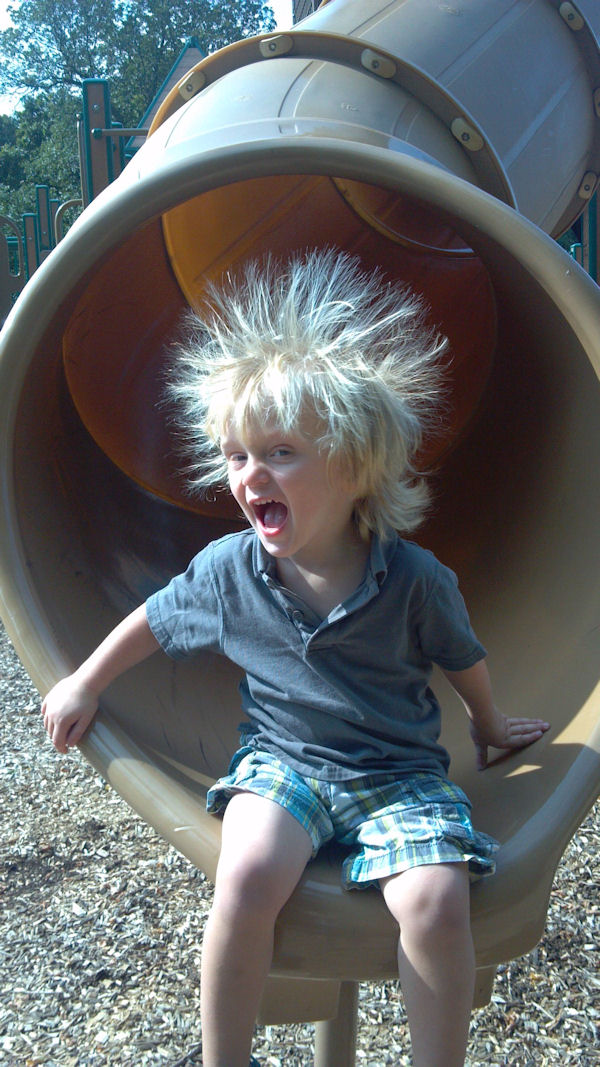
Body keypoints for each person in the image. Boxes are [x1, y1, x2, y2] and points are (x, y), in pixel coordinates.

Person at [42, 249, 549, 1067]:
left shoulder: (414, 579)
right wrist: (85, 680)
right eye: (237, 455)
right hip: (285, 762)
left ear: (354, 465)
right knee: (244, 875)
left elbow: (462, 657)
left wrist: (487, 725)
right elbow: (155, 618)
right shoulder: (230, 569)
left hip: (399, 771)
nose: (249, 476)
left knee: (436, 899)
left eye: (279, 452)